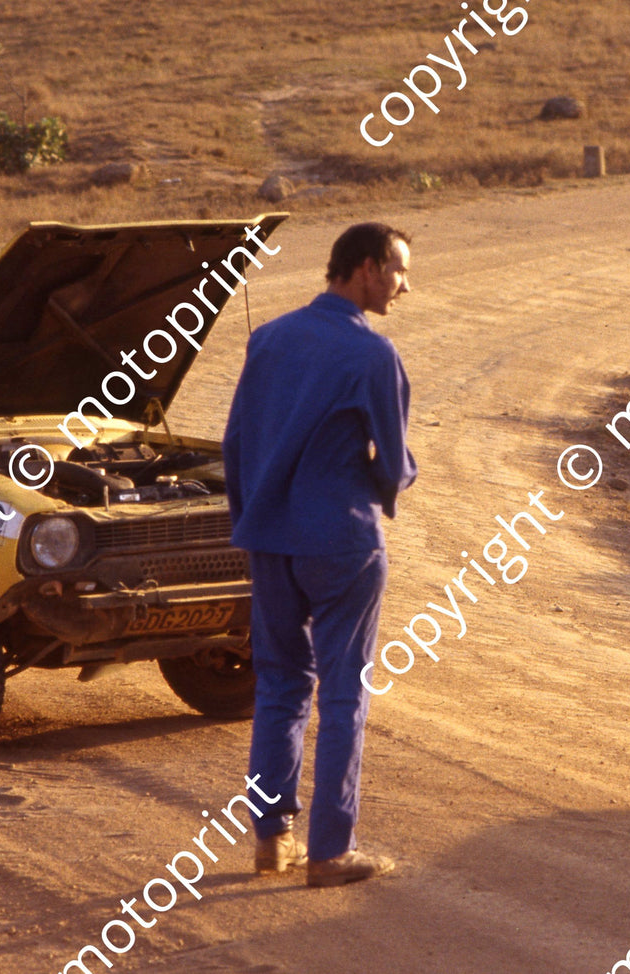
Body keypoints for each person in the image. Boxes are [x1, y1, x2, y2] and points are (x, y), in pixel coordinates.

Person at [223, 221, 417, 887]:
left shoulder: (267, 338)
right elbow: (392, 464)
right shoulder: (372, 355)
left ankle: (271, 841)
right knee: (343, 693)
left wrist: (250, 519)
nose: (403, 284)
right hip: (341, 544)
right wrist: (391, 483)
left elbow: (236, 446)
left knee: (277, 684)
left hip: (269, 539)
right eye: (396, 270)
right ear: (364, 268)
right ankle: (331, 851)